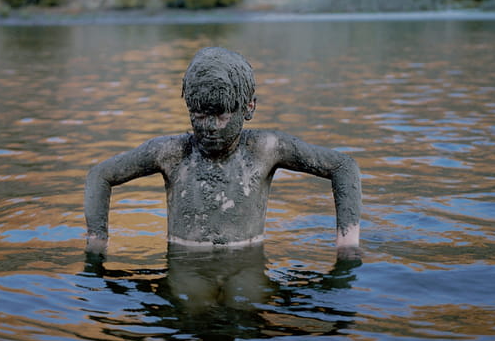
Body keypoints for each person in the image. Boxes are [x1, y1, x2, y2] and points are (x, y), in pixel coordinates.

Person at [84, 47, 362, 261]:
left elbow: (343, 167)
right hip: (186, 259)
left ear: (249, 107)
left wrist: (347, 246)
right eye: (199, 114)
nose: (210, 126)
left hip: (246, 259)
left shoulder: (265, 149)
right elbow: (100, 175)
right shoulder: (170, 152)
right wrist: (97, 246)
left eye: (220, 115)